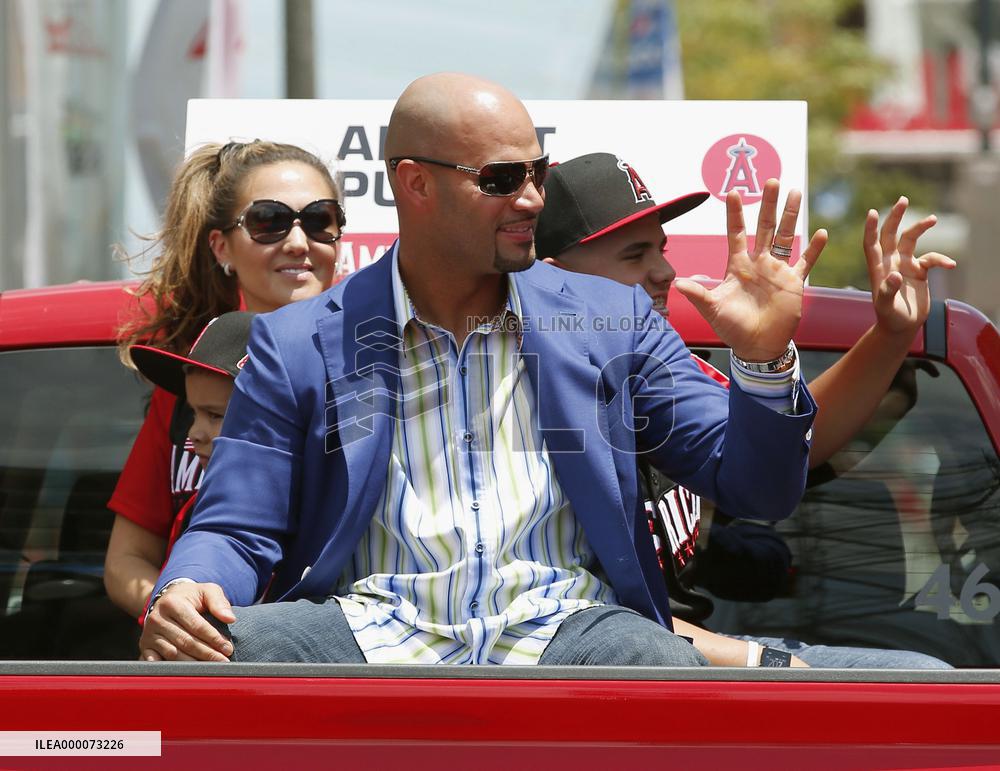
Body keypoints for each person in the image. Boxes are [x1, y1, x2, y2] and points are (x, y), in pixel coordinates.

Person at [139, 72, 822, 666]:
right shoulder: (295, 343)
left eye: (538, 173)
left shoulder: (614, 318)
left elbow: (758, 489)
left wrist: (762, 361)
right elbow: (234, 527)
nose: (531, 199)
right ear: (416, 185)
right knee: (225, 651)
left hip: (571, 631)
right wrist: (186, 588)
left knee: (659, 660)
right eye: (501, 179)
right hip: (362, 632)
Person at [536, 151, 953, 668]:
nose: (664, 270)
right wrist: (758, 662)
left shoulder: (666, 375)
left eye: (661, 250)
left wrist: (893, 334)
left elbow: (788, 449)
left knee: (923, 676)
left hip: (699, 657)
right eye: (634, 255)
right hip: (619, 666)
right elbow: (578, 615)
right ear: (553, 282)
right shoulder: (524, 408)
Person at [104, 141, 345, 620]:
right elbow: (125, 561)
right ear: (222, 247)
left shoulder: (379, 375)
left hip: (326, 663)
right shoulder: (185, 386)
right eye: (268, 221)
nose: (299, 241)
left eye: (320, 219)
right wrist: (184, 617)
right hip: (204, 671)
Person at [123, 311, 256, 618]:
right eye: (193, 413)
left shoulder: (303, 509)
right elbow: (123, 560)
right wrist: (173, 616)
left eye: (216, 415)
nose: (194, 433)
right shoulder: (194, 508)